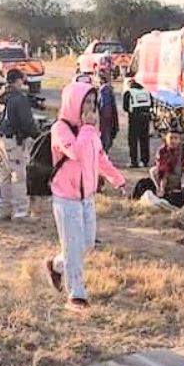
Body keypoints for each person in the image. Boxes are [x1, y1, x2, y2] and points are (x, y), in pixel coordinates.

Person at [45, 81, 126, 312]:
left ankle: (56, 265)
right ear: (74, 103)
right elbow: (76, 153)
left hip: (87, 198)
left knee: (87, 244)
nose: (90, 108)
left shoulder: (90, 132)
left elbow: (100, 158)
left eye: (93, 103)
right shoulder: (60, 129)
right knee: (72, 246)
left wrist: (117, 179)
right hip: (66, 198)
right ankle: (76, 294)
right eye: (85, 103)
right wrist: (88, 129)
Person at [0, 68, 41, 220]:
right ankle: (20, 212)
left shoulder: (0, 96)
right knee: (18, 177)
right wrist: (38, 136)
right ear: (18, 80)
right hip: (13, 142)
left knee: (4, 176)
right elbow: (27, 123)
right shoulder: (19, 98)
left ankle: (5, 210)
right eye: (22, 80)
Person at [149, 124, 184, 206]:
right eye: (171, 138)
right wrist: (161, 188)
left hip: (182, 175)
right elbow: (163, 170)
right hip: (166, 177)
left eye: (176, 138)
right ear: (166, 139)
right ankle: (160, 191)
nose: (173, 141)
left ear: (180, 139)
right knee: (153, 170)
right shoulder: (161, 151)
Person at [122, 77, 152, 168]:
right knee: (144, 140)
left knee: (133, 140)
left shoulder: (129, 92)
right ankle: (145, 161)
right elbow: (151, 104)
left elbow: (125, 107)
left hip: (134, 118)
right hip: (146, 117)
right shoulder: (147, 92)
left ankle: (134, 161)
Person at [97, 70, 119, 153]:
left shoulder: (104, 90)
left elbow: (105, 107)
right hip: (109, 118)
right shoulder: (107, 89)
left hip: (105, 118)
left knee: (105, 136)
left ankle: (103, 154)